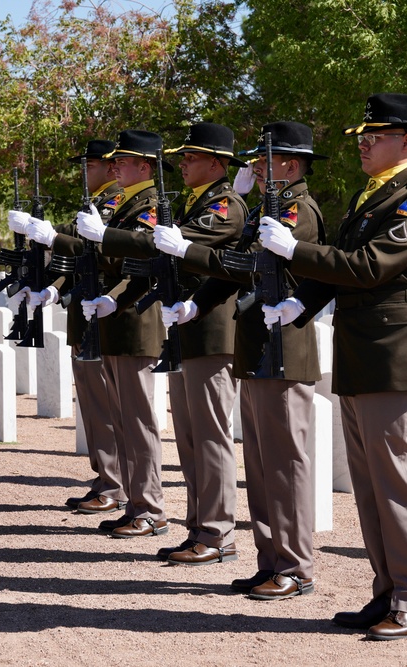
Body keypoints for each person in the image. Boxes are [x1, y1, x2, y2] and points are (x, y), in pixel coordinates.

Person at [259, 93, 407, 640]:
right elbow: (341, 269)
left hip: (395, 358)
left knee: (398, 487)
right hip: (364, 355)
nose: (364, 142)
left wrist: (294, 251)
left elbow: (368, 267)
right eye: (363, 134)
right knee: (370, 489)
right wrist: (303, 302)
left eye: (378, 134)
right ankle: (387, 592)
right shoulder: (371, 196)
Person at [155, 121, 326, 586]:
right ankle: (271, 562)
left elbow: (254, 263)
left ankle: (294, 566)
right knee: (263, 466)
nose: (254, 167)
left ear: (289, 163)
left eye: (263, 161)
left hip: (284, 346)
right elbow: (238, 267)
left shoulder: (298, 210)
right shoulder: (264, 210)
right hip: (256, 346)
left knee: (285, 465)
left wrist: (188, 248)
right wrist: (197, 303)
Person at [91, 122, 247, 564]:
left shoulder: (225, 205)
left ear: (217, 163)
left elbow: (175, 247)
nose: (183, 163)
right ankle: (200, 529)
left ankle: (217, 533)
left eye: (192, 157)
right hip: (187, 329)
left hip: (212, 331)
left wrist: (109, 236)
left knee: (210, 439)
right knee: (191, 439)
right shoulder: (194, 203)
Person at [10, 140, 128, 515]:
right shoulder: (93, 205)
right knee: (93, 408)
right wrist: (53, 290)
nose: (83, 171)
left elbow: (92, 254)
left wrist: (48, 235)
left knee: (107, 407)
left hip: (106, 313)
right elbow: (74, 262)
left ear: (110, 168)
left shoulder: (115, 204)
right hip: (86, 313)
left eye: (89, 165)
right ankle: (106, 479)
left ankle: (116, 484)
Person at [74, 129, 172, 539]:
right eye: (113, 162)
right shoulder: (126, 203)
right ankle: (134, 502)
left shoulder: (149, 204)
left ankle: (150, 507)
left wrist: (103, 237)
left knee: (138, 421)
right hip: (114, 317)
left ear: (145, 167)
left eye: (123, 161)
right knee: (122, 419)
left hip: (136, 321)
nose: (115, 167)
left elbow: (144, 249)